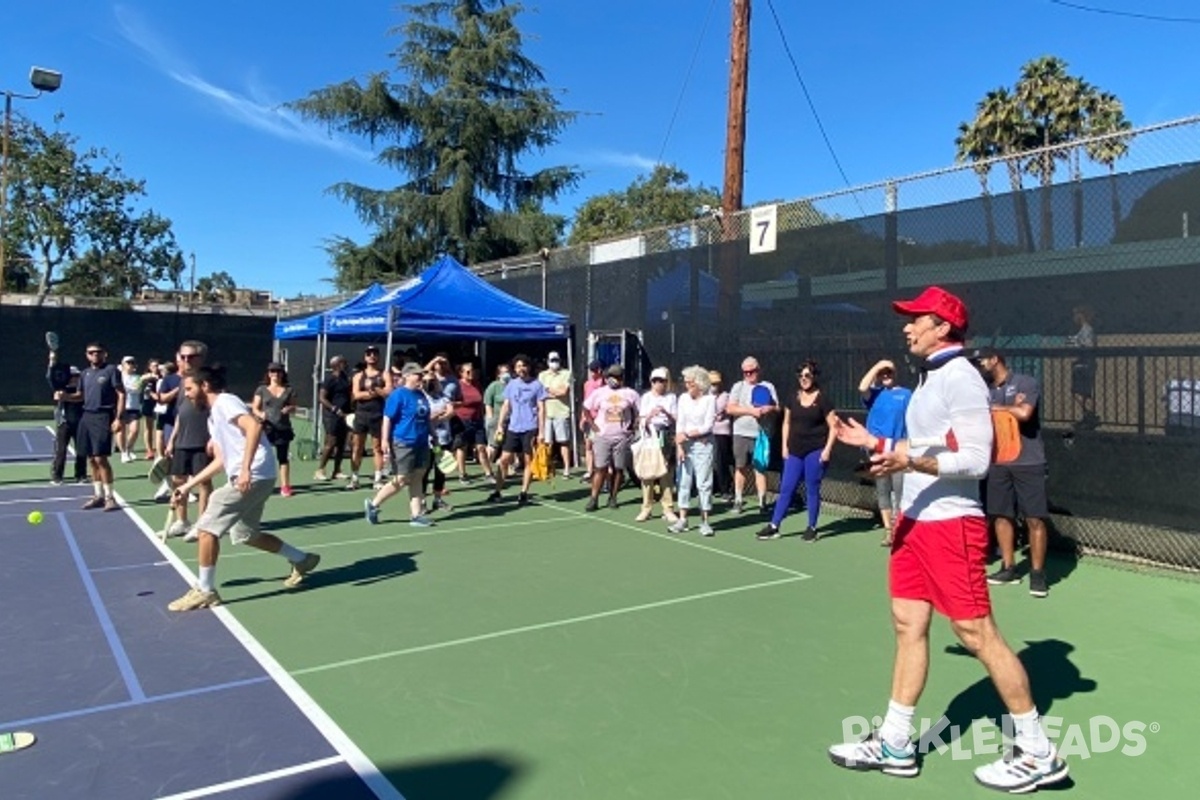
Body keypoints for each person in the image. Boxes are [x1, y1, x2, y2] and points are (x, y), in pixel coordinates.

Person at [829, 285, 1067, 792]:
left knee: (976, 633)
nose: (906, 326)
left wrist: (908, 460)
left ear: (943, 327)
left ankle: (1039, 752)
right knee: (906, 624)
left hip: (951, 524)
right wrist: (876, 443)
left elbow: (976, 460)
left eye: (916, 319)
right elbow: (933, 442)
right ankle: (895, 743)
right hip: (914, 522)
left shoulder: (960, 378)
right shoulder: (929, 377)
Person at [167, 365, 321, 612]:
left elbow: (254, 426)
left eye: (189, 389)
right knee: (246, 534)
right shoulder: (213, 418)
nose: (186, 394)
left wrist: (246, 469)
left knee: (206, 529)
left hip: (253, 474)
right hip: (256, 476)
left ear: (204, 386)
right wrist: (187, 486)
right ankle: (302, 559)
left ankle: (205, 591)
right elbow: (221, 461)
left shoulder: (225, 402)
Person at [977, 348, 1052, 598]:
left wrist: (996, 408)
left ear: (994, 360)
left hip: (1029, 462)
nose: (980, 366)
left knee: (1035, 519)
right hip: (998, 461)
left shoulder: (1025, 382)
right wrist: (1008, 407)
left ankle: (1038, 575)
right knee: (1001, 515)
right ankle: (1008, 568)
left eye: (982, 361)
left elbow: (1025, 413)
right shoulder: (984, 391)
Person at [757, 361, 837, 542]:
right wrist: (784, 446)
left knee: (812, 488)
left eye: (807, 376)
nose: (804, 379)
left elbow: (834, 427)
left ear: (814, 377)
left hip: (815, 450)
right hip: (794, 451)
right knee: (786, 488)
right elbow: (786, 422)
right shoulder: (793, 398)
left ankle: (812, 527)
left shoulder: (823, 399)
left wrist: (827, 450)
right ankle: (774, 525)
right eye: (801, 376)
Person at [365, 362, 433, 526]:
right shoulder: (398, 395)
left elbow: (425, 418)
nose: (421, 378)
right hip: (403, 442)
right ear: (407, 376)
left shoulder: (421, 395)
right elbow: (387, 418)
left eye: (422, 375)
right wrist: (384, 440)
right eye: (418, 375)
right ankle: (373, 505)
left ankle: (416, 516)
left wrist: (433, 435)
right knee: (401, 479)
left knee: (417, 477)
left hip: (422, 443)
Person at [858, 359, 912, 545]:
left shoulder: (906, 394)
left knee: (900, 492)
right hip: (876, 451)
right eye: (883, 373)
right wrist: (878, 366)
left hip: (897, 450)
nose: (886, 376)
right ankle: (888, 532)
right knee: (883, 491)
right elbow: (862, 386)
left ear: (895, 374)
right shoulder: (875, 394)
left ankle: (899, 530)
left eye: (889, 372)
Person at [163, 341, 214, 539]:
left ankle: (202, 524)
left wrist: (213, 439)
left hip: (202, 441)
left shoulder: (209, 381)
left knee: (203, 483)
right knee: (178, 480)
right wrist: (171, 440)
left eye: (191, 357)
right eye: (183, 357)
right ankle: (182, 521)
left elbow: (217, 411)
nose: (186, 361)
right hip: (182, 441)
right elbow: (180, 414)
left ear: (201, 358)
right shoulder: (182, 382)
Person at [489, 354, 547, 506]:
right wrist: (500, 425)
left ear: (529, 367)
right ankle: (497, 491)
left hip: (530, 428)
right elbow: (506, 405)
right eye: (518, 366)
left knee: (528, 461)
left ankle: (523, 493)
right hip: (513, 427)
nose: (522, 369)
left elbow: (541, 409)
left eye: (524, 366)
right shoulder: (512, 385)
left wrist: (541, 432)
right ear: (515, 369)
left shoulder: (537, 385)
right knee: (504, 460)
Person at [726, 356, 779, 514]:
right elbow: (730, 408)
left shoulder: (767, 386)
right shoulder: (738, 387)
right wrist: (751, 411)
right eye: (745, 372)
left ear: (758, 370)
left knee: (760, 468)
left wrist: (769, 409)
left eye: (752, 371)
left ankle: (762, 503)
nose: (749, 374)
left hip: (760, 434)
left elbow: (777, 407)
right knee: (740, 467)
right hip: (740, 433)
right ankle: (738, 500)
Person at [582, 364, 640, 510]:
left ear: (622, 378)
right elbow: (586, 408)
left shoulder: (630, 393)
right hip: (603, 436)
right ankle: (593, 498)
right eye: (611, 377)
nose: (613, 380)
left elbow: (639, 411)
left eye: (617, 377)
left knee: (618, 469)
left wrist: (633, 427)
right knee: (600, 468)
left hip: (622, 437)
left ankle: (613, 497)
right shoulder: (599, 393)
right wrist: (594, 426)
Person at [77, 343, 126, 511]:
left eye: (98, 352)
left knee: (100, 458)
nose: (95, 355)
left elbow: (121, 394)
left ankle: (110, 497)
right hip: (86, 417)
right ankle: (97, 495)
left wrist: (118, 418)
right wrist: (64, 395)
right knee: (91, 458)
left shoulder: (111, 370)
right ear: (87, 355)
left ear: (105, 354)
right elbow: (80, 396)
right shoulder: (85, 374)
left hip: (103, 416)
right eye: (91, 352)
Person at [673, 366, 716, 536]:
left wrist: (690, 434)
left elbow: (707, 425)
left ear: (699, 384)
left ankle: (705, 522)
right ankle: (682, 519)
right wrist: (679, 445)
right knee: (683, 481)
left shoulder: (710, 400)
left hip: (704, 445)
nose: (687, 385)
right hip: (685, 445)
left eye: (690, 383)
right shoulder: (683, 398)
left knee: (704, 483)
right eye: (686, 382)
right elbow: (680, 423)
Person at [635, 367, 679, 523]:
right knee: (648, 473)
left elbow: (676, 419)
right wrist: (650, 416)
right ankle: (646, 508)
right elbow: (641, 420)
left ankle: (668, 509)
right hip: (650, 436)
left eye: (661, 381)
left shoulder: (671, 397)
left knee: (666, 473)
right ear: (651, 382)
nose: (658, 384)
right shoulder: (646, 397)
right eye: (655, 381)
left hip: (666, 435)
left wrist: (666, 413)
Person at [252, 362, 298, 497]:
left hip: (283, 428)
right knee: (260, 456)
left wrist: (289, 408)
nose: (275, 375)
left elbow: (294, 407)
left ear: (282, 374)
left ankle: (285, 486)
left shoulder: (289, 390)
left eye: (278, 372)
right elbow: (255, 407)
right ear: (268, 373)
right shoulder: (261, 389)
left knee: (283, 458)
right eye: (272, 372)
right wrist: (260, 414)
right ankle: (257, 484)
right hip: (266, 428)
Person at [348, 345, 390, 490]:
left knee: (377, 448)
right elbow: (356, 395)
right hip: (361, 415)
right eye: (369, 354)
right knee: (357, 447)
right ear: (365, 357)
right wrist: (374, 393)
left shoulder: (384, 374)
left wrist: (379, 391)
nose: (372, 356)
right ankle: (354, 478)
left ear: (378, 356)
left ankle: (378, 478)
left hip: (378, 415)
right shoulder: (358, 376)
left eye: (374, 354)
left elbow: (389, 392)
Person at [452, 361, 492, 484]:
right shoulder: (457, 386)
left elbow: (480, 402)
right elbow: (450, 402)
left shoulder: (477, 384)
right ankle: (462, 474)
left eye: (472, 371)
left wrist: (484, 416)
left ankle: (488, 473)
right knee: (462, 447)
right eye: (467, 371)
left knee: (481, 447)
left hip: (477, 420)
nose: (471, 374)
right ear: (461, 373)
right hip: (462, 420)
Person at [49, 358, 87, 485]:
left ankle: (81, 475)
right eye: (72, 376)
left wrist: (66, 397)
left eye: (77, 376)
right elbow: (50, 375)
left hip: (80, 422)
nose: (75, 378)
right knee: (61, 450)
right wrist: (52, 360)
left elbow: (81, 398)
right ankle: (57, 476)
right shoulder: (60, 388)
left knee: (81, 450)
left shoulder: (82, 389)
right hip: (64, 423)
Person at [315, 355, 352, 482]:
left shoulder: (346, 379)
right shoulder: (329, 379)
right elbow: (322, 398)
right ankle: (320, 470)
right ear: (336, 365)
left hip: (345, 415)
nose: (346, 365)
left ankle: (337, 470)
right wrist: (334, 409)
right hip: (331, 416)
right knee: (331, 442)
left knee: (341, 443)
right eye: (343, 362)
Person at [539, 350, 574, 478]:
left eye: (556, 360)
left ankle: (566, 469)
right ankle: (546, 467)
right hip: (546, 413)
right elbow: (541, 394)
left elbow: (564, 392)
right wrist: (553, 392)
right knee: (547, 442)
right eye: (552, 360)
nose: (554, 363)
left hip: (562, 412)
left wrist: (548, 390)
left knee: (564, 442)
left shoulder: (567, 373)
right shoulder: (542, 375)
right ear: (548, 361)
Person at [1068, 305, 1099, 430]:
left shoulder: (1087, 330)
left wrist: (1078, 344)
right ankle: (1087, 416)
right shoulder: (1082, 330)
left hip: (1085, 365)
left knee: (1081, 391)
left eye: (1076, 315)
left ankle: (1090, 415)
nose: (1074, 318)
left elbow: (1089, 345)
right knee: (1081, 392)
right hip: (1081, 365)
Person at [579, 360, 606, 481]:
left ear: (599, 370)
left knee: (599, 447)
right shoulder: (587, 384)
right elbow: (585, 402)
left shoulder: (605, 385)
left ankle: (601, 472)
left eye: (594, 370)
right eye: (590, 370)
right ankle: (589, 471)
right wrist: (582, 418)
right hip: (589, 419)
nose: (592, 373)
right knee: (588, 445)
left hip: (600, 420)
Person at [709, 370, 734, 501]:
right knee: (710, 461)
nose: (714, 386)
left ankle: (726, 489)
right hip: (709, 432)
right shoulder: (706, 397)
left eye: (716, 383)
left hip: (722, 433)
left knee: (721, 461)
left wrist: (723, 412)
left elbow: (727, 411)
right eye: (712, 383)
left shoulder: (726, 396)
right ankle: (714, 488)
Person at [117, 355, 142, 463]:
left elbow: (137, 389)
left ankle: (128, 449)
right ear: (123, 365)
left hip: (134, 407)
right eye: (128, 363)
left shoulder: (137, 377)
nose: (130, 365)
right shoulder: (118, 377)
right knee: (120, 431)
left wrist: (126, 388)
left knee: (134, 430)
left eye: (132, 363)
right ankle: (123, 453)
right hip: (121, 406)